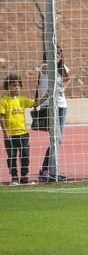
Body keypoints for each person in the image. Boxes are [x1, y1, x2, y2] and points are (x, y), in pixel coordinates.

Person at [0, 74, 44, 185]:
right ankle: (14, 177)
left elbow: (35, 103)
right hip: (10, 134)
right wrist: (5, 132)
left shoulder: (22, 100)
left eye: (18, 85)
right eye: (14, 85)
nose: (17, 88)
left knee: (25, 154)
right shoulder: (3, 101)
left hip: (23, 133)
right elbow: (1, 117)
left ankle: (24, 176)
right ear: (8, 87)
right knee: (12, 156)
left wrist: (47, 96)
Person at [37, 46, 71, 181]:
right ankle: (46, 170)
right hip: (50, 106)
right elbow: (48, 70)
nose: (56, 55)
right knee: (55, 139)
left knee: (58, 139)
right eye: (54, 53)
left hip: (62, 105)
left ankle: (51, 169)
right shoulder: (45, 67)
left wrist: (63, 87)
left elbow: (69, 77)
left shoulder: (63, 67)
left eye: (59, 53)